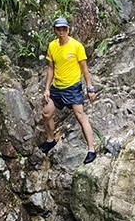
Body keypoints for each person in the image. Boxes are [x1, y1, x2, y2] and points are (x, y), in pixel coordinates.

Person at [41, 16, 98, 164]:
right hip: (57, 88)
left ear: (68, 29)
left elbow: (85, 69)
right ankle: (50, 139)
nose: (61, 32)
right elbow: (50, 68)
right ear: (55, 30)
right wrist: (47, 88)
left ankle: (91, 149)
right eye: (58, 29)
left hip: (73, 88)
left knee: (80, 116)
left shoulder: (76, 46)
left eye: (64, 29)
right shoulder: (52, 46)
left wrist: (90, 88)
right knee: (46, 114)